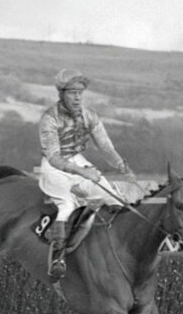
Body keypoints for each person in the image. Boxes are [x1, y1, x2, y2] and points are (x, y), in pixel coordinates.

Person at [37, 69, 132, 281]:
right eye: (73, 92)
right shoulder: (49, 119)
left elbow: (105, 147)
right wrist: (82, 171)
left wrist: (122, 165)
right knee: (67, 206)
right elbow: (54, 157)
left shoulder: (90, 116)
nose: (78, 97)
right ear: (61, 93)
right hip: (54, 167)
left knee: (115, 200)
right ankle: (57, 258)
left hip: (78, 160)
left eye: (80, 92)